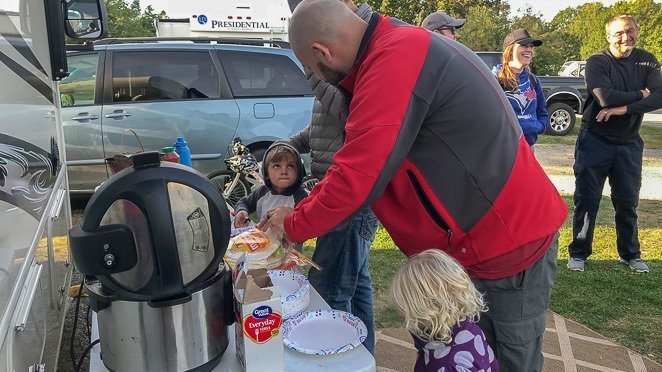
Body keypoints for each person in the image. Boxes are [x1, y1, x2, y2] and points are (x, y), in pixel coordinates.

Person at [260, 1, 567, 370]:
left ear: (322, 52)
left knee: (505, 357)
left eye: (314, 69)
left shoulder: (395, 56)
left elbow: (358, 174)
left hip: (506, 244)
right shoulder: (387, 48)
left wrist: (293, 222)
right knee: (450, 353)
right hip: (461, 249)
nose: (323, 79)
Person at [286, 0, 380, 355]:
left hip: (348, 194)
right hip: (333, 187)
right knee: (355, 284)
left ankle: (338, 360)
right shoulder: (333, 49)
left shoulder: (355, 46)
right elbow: (324, 124)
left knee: (329, 291)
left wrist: (315, 69)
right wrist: (289, 144)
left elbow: (349, 114)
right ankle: (365, 356)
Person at [567, 14, 661, 273]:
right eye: (618, 33)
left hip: (629, 143)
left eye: (629, 31)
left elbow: (660, 96)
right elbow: (604, 96)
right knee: (587, 199)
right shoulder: (598, 61)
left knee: (627, 200)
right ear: (608, 36)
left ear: (637, 31)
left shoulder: (647, 60)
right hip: (594, 140)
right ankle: (579, 252)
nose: (625, 37)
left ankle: (630, 254)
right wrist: (642, 94)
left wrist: (625, 108)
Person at [390, 249, 498, 372]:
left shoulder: (450, 365)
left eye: (406, 307)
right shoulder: (468, 328)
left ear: (428, 309)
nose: (401, 312)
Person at [493, 29, 548, 150]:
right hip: (503, 148)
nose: (529, 49)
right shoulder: (495, 78)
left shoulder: (533, 80)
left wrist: (538, 127)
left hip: (528, 147)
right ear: (510, 50)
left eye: (531, 46)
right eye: (524, 45)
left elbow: (542, 111)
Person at [234, 142, 307, 228]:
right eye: (277, 166)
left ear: (298, 172)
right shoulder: (262, 192)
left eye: (290, 166)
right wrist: (241, 211)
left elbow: (307, 222)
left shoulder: (301, 197)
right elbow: (243, 202)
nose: (284, 171)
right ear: (266, 172)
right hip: (262, 240)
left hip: (290, 240)